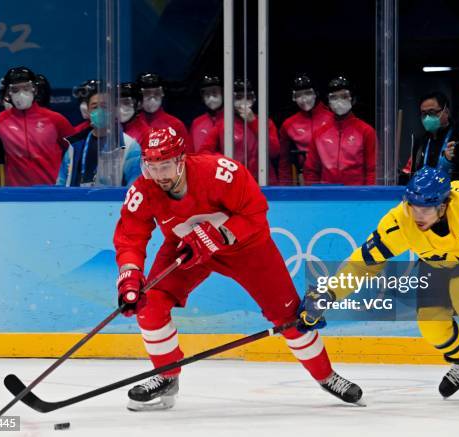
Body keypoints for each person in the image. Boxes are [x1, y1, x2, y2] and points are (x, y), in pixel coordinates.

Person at [113, 127, 362, 411]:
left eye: (165, 166)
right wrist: (130, 277)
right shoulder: (143, 190)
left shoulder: (219, 172)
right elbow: (130, 237)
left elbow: (256, 214)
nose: (159, 176)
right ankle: (167, 376)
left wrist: (215, 237)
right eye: (152, 167)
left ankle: (326, 375)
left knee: (289, 317)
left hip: (247, 249)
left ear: (181, 160)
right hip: (187, 250)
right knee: (149, 303)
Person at [299, 166, 459, 404]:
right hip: (436, 263)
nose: (418, 215)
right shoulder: (399, 222)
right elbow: (363, 264)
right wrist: (330, 292)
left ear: (443, 205)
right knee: (431, 326)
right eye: (413, 206)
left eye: (426, 208)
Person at [0, 66, 74, 186]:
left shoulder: (55, 120)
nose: (21, 94)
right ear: (7, 93)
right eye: (15, 90)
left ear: (34, 89)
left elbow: (74, 153)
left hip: (52, 191)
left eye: (26, 88)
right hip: (15, 194)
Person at [199, 79, 280, 184]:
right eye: (238, 98)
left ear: (254, 99)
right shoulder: (223, 124)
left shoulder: (265, 122)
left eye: (248, 97)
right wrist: (222, 162)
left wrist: (253, 123)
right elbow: (203, 152)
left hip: (263, 182)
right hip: (234, 182)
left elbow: (274, 152)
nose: (243, 102)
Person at [57, 87, 141, 187]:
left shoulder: (130, 146)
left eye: (104, 107)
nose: (99, 111)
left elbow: (136, 186)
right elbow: (61, 183)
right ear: (88, 112)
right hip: (77, 201)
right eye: (94, 107)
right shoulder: (75, 146)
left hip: (113, 202)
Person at [304, 75, 376, 185]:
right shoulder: (319, 134)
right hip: (326, 195)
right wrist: (314, 195)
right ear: (328, 101)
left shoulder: (366, 131)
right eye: (334, 97)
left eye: (344, 96)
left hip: (357, 195)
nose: (339, 101)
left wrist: (368, 197)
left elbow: (372, 171)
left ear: (353, 99)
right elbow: (311, 171)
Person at [278, 74, 333, 185]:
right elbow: (284, 161)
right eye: (298, 95)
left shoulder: (332, 118)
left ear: (316, 93)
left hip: (331, 176)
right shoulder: (289, 124)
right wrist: (285, 189)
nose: (304, 99)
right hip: (305, 179)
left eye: (308, 93)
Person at [400, 92, 453, 184]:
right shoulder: (420, 141)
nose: (428, 117)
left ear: (446, 112)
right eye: (424, 114)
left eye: (432, 112)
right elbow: (411, 172)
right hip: (423, 192)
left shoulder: (458, 136)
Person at [136, 72, 192, 149]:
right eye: (146, 93)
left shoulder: (176, 125)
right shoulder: (133, 125)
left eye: (156, 93)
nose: (152, 98)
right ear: (138, 96)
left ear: (162, 94)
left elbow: (187, 155)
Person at [190, 74, 223, 153]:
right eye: (207, 94)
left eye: (215, 93)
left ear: (223, 93)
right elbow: (190, 153)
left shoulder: (233, 121)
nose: (211, 98)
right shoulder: (197, 123)